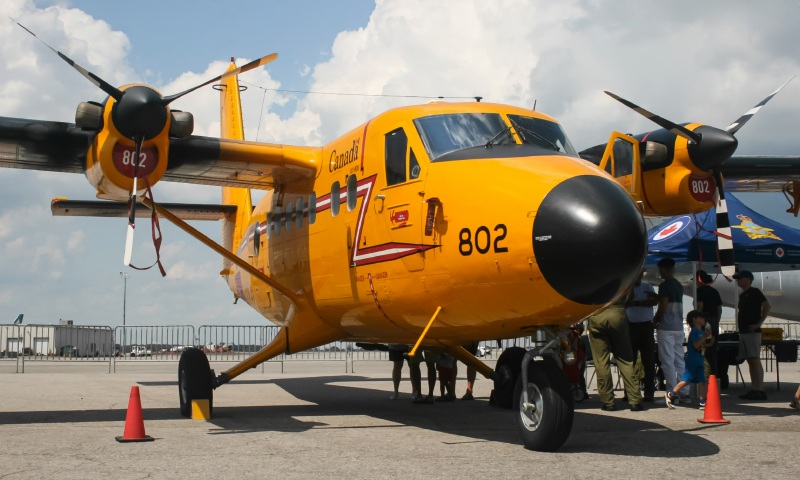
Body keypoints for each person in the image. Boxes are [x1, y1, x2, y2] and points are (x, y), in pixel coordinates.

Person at [586, 292, 644, 412]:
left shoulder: (590, 274)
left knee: (601, 361)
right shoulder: (618, 272)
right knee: (625, 360)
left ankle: (608, 402)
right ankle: (634, 400)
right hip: (618, 313)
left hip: (597, 314)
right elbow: (630, 296)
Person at [653, 257, 689, 404]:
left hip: (666, 327)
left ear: (664, 270)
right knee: (679, 360)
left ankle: (671, 393)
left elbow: (663, 305)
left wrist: (655, 320)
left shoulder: (664, 286)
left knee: (667, 361)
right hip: (678, 327)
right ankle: (684, 392)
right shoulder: (678, 285)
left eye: (660, 270)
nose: (659, 273)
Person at [733, 270, 771, 400]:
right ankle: (755, 388)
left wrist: (759, 323)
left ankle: (759, 389)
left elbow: (766, 305)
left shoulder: (754, 292)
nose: (737, 280)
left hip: (752, 332)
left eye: (740, 278)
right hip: (744, 331)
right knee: (750, 360)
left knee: (754, 359)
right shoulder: (743, 295)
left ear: (748, 279)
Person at [666, 310, 714, 409]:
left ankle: (702, 401)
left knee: (703, 380)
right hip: (692, 359)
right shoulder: (694, 332)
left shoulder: (701, 332)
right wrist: (705, 336)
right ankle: (671, 394)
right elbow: (696, 345)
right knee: (686, 380)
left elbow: (702, 346)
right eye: (701, 317)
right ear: (695, 320)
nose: (704, 319)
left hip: (700, 359)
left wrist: (710, 341)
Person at [625, 271, 658, 402]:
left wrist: (637, 303)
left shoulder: (647, 287)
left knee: (649, 361)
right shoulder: (628, 287)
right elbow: (626, 302)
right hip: (631, 326)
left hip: (646, 326)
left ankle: (649, 392)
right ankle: (630, 392)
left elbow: (654, 301)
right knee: (629, 362)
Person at [695, 270, 722, 380]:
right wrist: (716, 321)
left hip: (704, 324)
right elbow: (719, 309)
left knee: (703, 351)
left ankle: (704, 377)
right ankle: (713, 376)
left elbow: (700, 306)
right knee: (712, 352)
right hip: (714, 322)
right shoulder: (714, 291)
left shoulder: (700, 291)